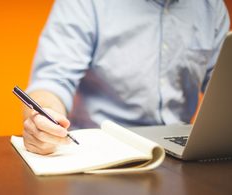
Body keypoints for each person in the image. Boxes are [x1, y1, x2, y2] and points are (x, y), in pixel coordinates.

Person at [22, 0, 230, 155]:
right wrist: (45, 119)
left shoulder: (211, 7)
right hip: (99, 151)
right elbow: (52, 81)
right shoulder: (86, 3)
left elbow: (223, 88)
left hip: (182, 152)